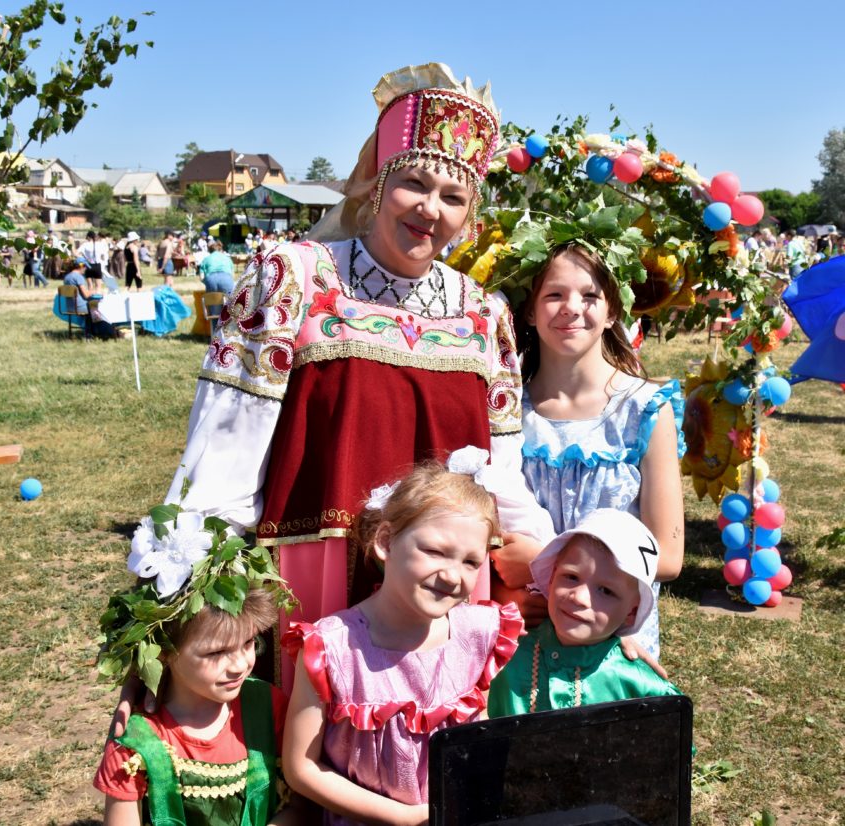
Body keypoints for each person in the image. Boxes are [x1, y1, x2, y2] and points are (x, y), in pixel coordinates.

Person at [161, 62, 554, 689]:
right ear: (377, 182)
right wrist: (188, 578)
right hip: (315, 571)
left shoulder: (486, 316)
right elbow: (227, 448)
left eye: (453, 198)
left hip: (446, 583)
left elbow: (500, 475)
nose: (430, 209)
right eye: (414, 185)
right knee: (312, 745)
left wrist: (540, 559)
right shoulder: (294, 277)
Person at [282, 453, 524, 825]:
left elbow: (479, 731)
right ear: (386, 542)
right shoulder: (332, 648)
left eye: (471, 562)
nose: (452, 575)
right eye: (434, 551)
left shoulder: (479, 634)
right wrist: (401, 817)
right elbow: (301, 766)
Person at [491, 242, 685, 660]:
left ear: (612, 310)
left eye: (590, 295)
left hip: (613, 643)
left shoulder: (644, 409)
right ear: (529, 310)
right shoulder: (504, 410)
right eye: (554, 295)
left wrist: (544, 562)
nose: (571, 308)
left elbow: (667, 557)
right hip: (524, 630)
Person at [95, 509, 302, 825]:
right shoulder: (139, 742)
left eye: (248, 643)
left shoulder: (269, 706)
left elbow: (304, 806)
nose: (240, 665)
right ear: (163, 650)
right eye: (216, 653)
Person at [488, 509, 680, 717]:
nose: (579, 597)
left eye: (606, 591)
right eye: (571, 576)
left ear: (631, 612)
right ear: (552, 578)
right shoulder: (505, 655)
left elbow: (669, 744)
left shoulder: (639, 684)